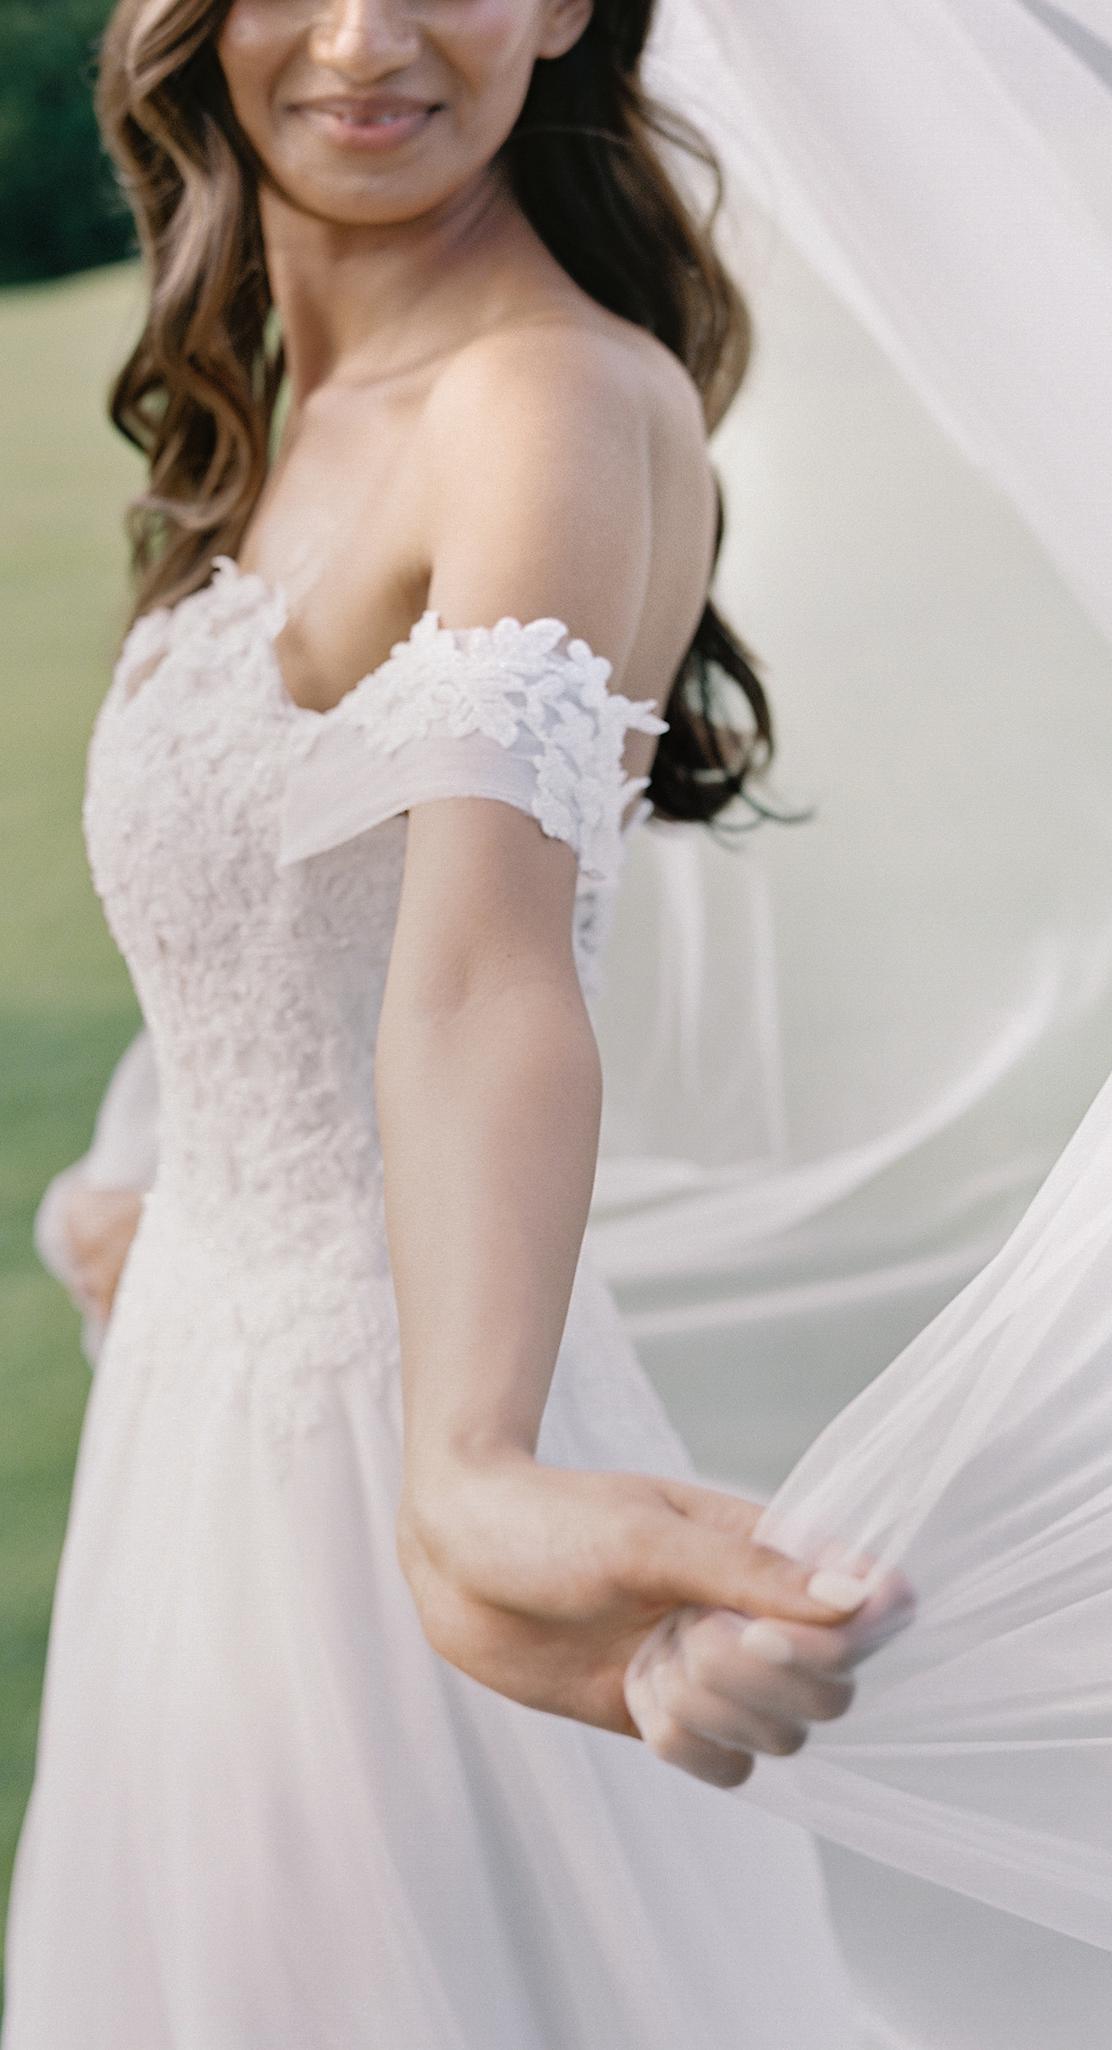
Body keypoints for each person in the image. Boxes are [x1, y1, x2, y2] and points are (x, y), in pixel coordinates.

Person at [2, 2, 911, 2044]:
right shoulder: (304, 396)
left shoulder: (545, 403)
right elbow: (284, 934)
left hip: (371, 1461)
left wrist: (472, 1465)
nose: (357, 35)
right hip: (209, 1445)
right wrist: (161, 1186)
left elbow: (482, 959)